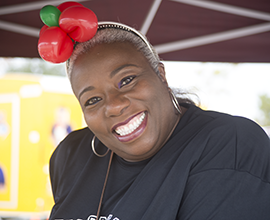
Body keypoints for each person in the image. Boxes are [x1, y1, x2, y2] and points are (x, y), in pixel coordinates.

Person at [42, 5, 270, 220]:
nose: (113, 105)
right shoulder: (71, 154)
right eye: (92, 100)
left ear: (160, 75)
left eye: (127, 80)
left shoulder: (230, 143)